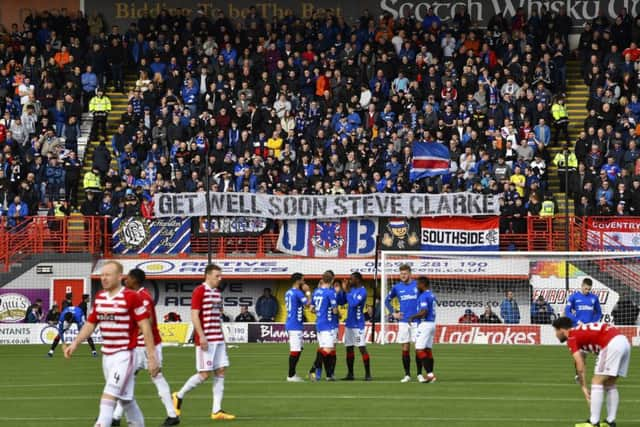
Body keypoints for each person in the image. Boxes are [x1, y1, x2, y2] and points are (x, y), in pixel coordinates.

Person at [63, 260, 159, 427]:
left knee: (108, 396)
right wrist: (75, 343)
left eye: (108, 274)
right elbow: (91, 324)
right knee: (126, 400)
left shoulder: (132, 297)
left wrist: (152, 357)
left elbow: (145, 325)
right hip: (106, 356)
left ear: (119, 277)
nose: (104, 278)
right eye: (102, 275)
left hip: (125, 355)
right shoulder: (100, 298)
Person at [112, 269, 179, 427]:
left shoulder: (143, 297)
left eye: (128, 278)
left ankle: (172, 414)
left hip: (148, 346)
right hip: (138, 346)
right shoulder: (137, 296)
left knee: (154, 376)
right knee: (128, 379)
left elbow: (147, 322)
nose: (125, 280)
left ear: (134, 280)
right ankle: (115, 417)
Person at [172, 264, 236, 420]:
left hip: (218, 339)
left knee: (221, 370)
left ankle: (216, 411)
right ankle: (178, 396)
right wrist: (201, 336)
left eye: (221, 276)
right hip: (206, 338)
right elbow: (194, 316)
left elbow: (217, 317)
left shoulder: (217, 293)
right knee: (204, 374)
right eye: (217, 276)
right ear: (207, 276)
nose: (220, 279)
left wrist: (223, 338)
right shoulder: (199, 291)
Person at [553, 317, 631, 427]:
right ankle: (610, 421)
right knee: (610, 383)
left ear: (561, 330)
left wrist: (584, 388)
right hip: (624, 342)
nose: (555, 334)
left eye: (555, 331)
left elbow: (579, 363)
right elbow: (581, 360)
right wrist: (581, 382)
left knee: (596, 381)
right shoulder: (580, 332)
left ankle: (594, 422)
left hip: (611, 343)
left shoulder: (571, 338)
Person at [385, 263, 419, 382]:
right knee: (405, 348)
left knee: (418, 348)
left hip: (417, 321)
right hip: (403, 321)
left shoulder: (417, 285)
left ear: (410, 274)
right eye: (401, 274)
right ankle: (407, 374)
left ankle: (419, 374)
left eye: (405, 273)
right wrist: (393, 313)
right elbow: (386, 301)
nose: (403, 276)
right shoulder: (397, 287)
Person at [337, 272, 372, 381]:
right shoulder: (350, 289)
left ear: (357, 280)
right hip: (349, 324)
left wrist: (347, 291)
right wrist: (342, 290)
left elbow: (353, 304)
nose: (349, 281)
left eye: (351, 279)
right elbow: (340, 302)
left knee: (362, 348)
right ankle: (350, 374)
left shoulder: (362, 291)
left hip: (358, 325)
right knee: (349, 349)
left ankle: (368, 374)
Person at [408, 277, 437, 383]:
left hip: (425, 324)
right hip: (432, 323)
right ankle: (431, 374)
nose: (416, 286)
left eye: (418, 284)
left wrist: (412, 317)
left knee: (419, 349)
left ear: (422, 284)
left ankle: (430, 374)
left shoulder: (424, 296)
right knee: (428, 350)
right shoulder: (431, 295)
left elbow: (424, 311)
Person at [310, 274, 338, 381]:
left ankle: (329, 375)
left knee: (323, 349)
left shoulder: (316, 291)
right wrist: (334, 312)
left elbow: (312, 309)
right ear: (332, 280)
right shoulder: (330, 293)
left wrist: (321, 311)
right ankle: (313, 369)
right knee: (328, 349)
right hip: (328, 324)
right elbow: (335, 310)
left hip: (319, 324)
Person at [284, 272, 310, 382]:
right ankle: (291, 375)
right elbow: (308, 303)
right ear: (298, 281)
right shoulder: (298, 293)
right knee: (295, 350)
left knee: (299, 348)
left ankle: (293, 373)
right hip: (295, 324)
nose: (304, 282)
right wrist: (308, 291)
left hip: (292, 322)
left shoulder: (288, 292)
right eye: (303, 280)